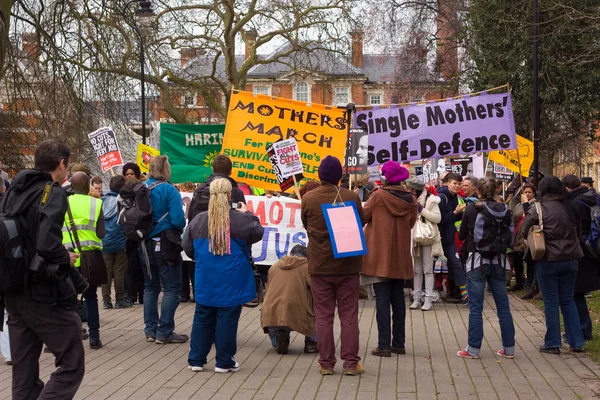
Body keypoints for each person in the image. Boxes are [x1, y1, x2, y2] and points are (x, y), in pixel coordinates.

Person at [2, 139, 85, 399]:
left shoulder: (12, 191)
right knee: (72, 362)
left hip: (12, 290)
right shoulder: (53, 191)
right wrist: (65, 257)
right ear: (61, 163)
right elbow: (48, 244)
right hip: (41, 291)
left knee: (24, 372)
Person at [183, 178, 264, 373]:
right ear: (230, 196)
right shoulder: (240, 220)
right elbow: (258, 232)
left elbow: (187, 247)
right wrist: (248, 213)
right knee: (227, 318)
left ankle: (196, 360)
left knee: (203, 316)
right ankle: (224, 361)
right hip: (232, 277)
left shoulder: (198, 220)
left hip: (206, 276)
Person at [301, 155, 365, 376]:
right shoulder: (350, 197)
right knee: (348, 316)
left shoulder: (309, 198)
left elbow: (305, 224)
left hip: (320, 266)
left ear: (319, 175)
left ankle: (326, 363)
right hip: (348, 265)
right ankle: (351, 363)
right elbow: (362, 220)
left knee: (324, 315)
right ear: (340, 176)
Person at [521, 176, 585, 354]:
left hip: (548, 258)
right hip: (571, 258)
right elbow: (578, 233)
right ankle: (576, 341)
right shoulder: (571, 207)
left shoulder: (538, 208)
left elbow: (525, 230)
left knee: (550, 302)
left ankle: (552, 342)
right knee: (568, 300)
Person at [362, 162, 417, 358]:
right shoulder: (412, 199)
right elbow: (411, 224)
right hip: (400, 255)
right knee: (398, 298)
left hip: (379, 255)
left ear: (385, 177)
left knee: (383, 299)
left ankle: (383, 345)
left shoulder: (377, 196)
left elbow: (363, 217)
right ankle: (399, 344)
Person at [457, 178, 516, 359]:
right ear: (497, 190)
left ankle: (473, 349)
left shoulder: (472, 209)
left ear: (479, 192)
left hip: (477, 261)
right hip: (499, 260)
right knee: (503, 306)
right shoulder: (505, 210)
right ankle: (509, 348)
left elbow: (462, 235)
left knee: (476, 307)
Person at [142, 156, 187, 344]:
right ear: (165, 169)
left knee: (150, 288)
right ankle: (165, 331)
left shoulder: (142, 187)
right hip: (165, 243)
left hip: (144, 244)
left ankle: (150, 330)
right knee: (171, 288)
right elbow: (178, 220)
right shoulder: (169, 190)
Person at [63, 171, 106, 350]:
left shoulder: (63, 203)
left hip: (68, 257)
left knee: (68, 298)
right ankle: (95, 337)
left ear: (71, 185)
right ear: (88, 184)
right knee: (91, 297)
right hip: (90, 258)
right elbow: (101, 233)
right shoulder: (96, 203)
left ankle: (71, 336)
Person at [260, 244, 317, 354]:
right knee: (319, 307)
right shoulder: (307, 267)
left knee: (277, 321)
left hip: (272, 310)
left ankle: (278, 339)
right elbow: (316, 288)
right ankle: (311, 343)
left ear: (291, 254)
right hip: (297, 309)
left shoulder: (275, 266)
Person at [562, 174, 600, 341]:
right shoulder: (593, 197)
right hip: (591, 249)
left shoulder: (576, 203)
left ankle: (583, 329)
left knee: (575, 292)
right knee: (578, 292)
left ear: (567, 187)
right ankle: (583, 328)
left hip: (580, 250)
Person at [406, 178, 443, 311]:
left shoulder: (431, 199)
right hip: (413, 237)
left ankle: (428, 299)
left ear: (416, 190)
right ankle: (417, 298)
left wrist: (420, 209)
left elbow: (437, 218)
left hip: (427, 237)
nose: (409, 191)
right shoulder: (408, 199)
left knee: (427, 270)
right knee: (416, 270)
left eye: (411, 189)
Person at [101, 175, 132, 309]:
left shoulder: (101, 201)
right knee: (120, 271)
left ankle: (106, 300)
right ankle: (119, 299)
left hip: (104, 241)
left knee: (106, 272)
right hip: (120, 241)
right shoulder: (122, 201)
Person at [188, 154, 246, 224]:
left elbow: (191, 217)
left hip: (201, 232)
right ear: (230, 171)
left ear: (212, 170)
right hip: (230, 232)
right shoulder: (237, 192)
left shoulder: (200, 189)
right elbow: (243, 219)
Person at [438, 172, 468, 303]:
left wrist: (463, 214)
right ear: (447, 183)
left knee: (456, 264)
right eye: (454, 183)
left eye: (459, 184)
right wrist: (455, 212)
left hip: (449, 238)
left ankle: (463, 294)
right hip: (437, 239)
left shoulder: (456, 197)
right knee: (428, 268)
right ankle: (420, 293)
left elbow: (453, 218)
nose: (457, 186)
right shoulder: (441, 197)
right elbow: (440, 219)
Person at [122, 163, 145, 305]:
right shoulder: (122, 192)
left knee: (141, 265)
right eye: (127, 174)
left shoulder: (142, 190)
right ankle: (131, 295)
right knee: (130, 267)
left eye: (131, 173)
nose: (129, 176)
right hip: (127, 235)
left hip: (141, 232)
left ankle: (142, 294)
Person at [178, 181, 196, 302]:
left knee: (185, 268)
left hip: (183, 235)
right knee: (191, 268)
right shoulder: (196, 199)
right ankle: (194, 293)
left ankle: (184, 293)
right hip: (190, 235)